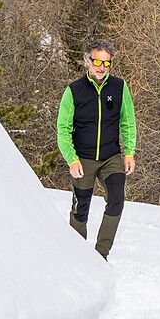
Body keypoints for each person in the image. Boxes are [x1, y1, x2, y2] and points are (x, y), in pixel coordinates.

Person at [58, 43, 136, 259]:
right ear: (88, 61)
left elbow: (128, 122)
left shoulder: (119, 87)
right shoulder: (74, 91)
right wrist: (72, 159)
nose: (101, 67)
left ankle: (100, 255)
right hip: (83, 158)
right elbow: (63, 129)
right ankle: (77, 255)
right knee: (81, 207)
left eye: (106, 63)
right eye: (97, 62)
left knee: (117, 199)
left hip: (111, 157)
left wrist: (129, 152)